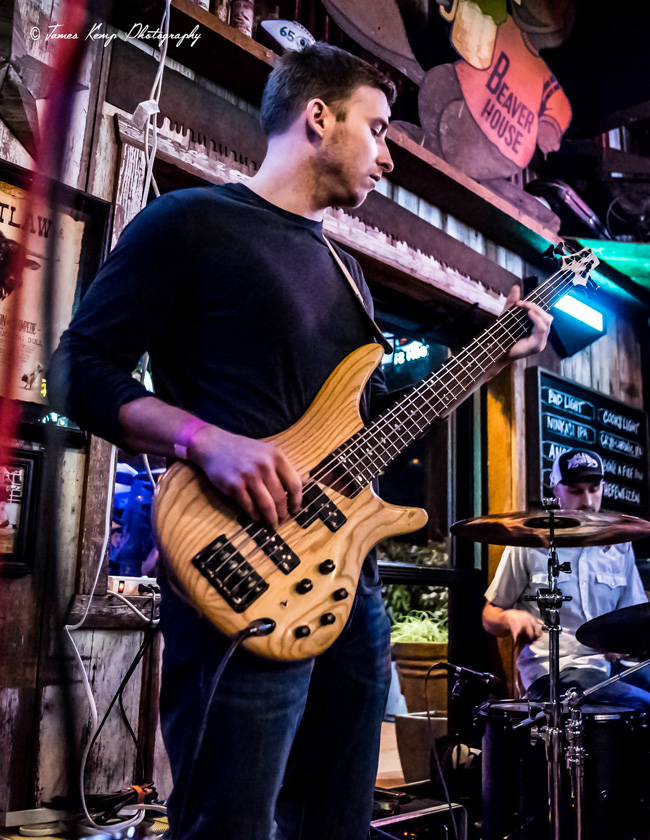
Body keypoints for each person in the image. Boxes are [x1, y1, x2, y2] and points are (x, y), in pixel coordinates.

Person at [49, 43, 552, 840]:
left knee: (338, 820)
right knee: (232, 822)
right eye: (380, 128)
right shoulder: (192, 222)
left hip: (349, 582)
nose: (389, 156)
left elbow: (369, 412)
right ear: (319, 117)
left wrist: (494, 355)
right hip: (242, 566)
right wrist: (203, 439)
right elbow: (78, 368)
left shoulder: (347, 272)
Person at [483, 447, 650, 709]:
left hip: (608, 668)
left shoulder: (620, 545)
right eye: (575, 490)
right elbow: (490, 615)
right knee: (642, 705)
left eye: (594, 489)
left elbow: (631, 617)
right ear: (555, 489)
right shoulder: (528, 543)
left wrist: (624, 642)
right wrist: (509, 617)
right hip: (553, 671)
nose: (587, 500)